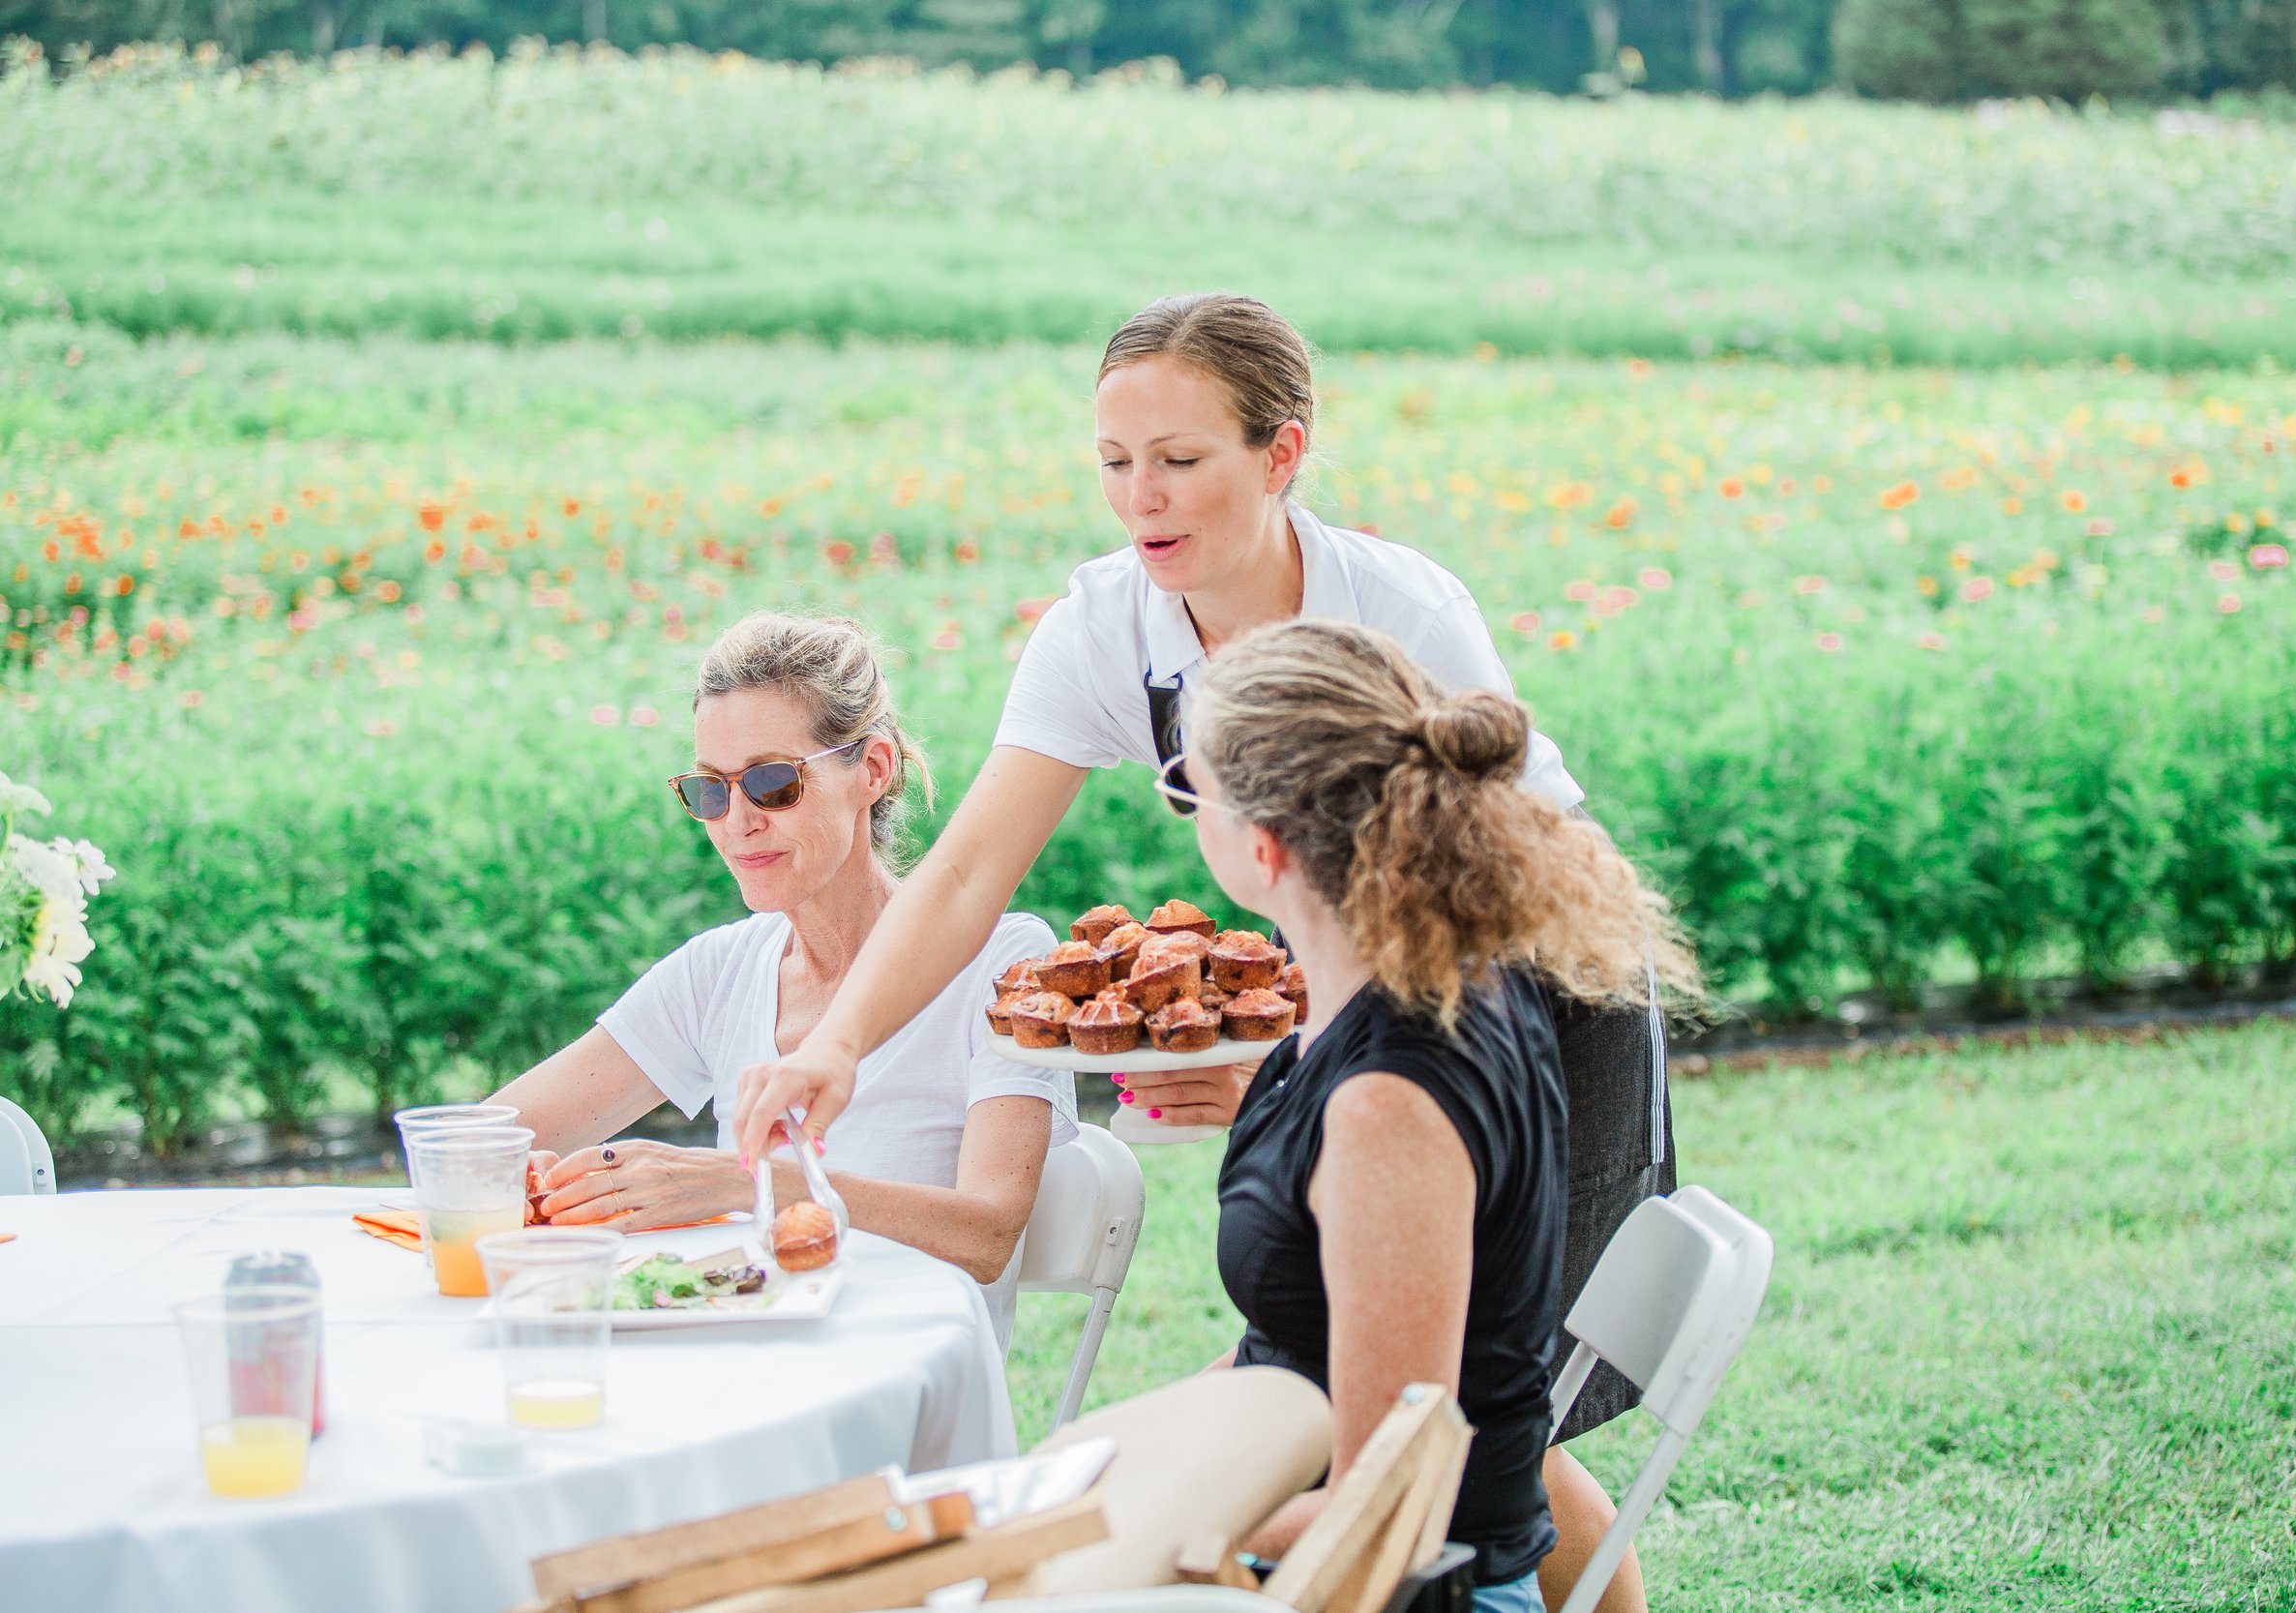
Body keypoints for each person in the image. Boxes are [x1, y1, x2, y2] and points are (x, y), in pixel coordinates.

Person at [734, 294, 1690, 1610]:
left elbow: (1487, 878)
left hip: (1531, 982)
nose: (1143, 497)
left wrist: (1348, 1088)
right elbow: (963, 870)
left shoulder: (1397, 605)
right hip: (1369, 996)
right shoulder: (1103, 629)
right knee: (1432, 1383)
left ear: (1281, 453)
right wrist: (834, 1042)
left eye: (1181, 459)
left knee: (1496, 1394)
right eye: (1116, 462)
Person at [1177, 619, 1691, 1613]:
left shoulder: (1387, 1109)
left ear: (1262, 842)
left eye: (1184, 785)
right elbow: (1306, 1348)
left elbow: (1393, 1518)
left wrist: (1154, 1528)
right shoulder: (1451, 977)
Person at [491, 612, 1074, 1347]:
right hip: (740, 1368)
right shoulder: (720, 970)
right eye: (710, 790)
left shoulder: (1004, 962)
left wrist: (745, 1182)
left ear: (873, 769)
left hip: (904, 1385)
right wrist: (529, 1182)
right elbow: (493, 1139)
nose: (736, 822)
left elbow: (987, 1234)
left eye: (771, 784)